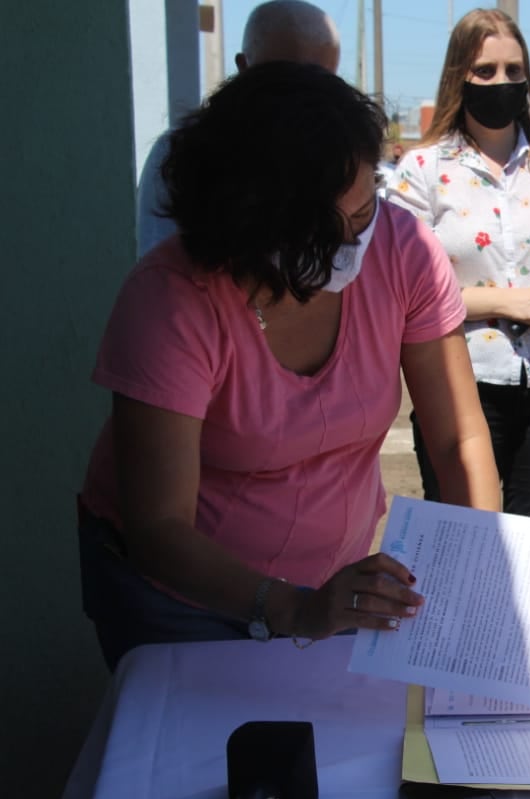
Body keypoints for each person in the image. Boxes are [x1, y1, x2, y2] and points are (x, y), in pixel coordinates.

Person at [78, 63, 501, 672]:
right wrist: (292, 608)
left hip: (328, 590)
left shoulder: (402, 251)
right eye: (330, 227)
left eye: (367, 210)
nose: (359, 241)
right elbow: (160, 529)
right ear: (252, 220)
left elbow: (458, 436)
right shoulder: (171, 299)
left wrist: (481, 572)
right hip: (178, 601)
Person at [387, 8, 530, 519]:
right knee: (462, 535)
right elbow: (402, 292)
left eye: (515, 71)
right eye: (486, 71)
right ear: (458, 78)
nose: (502, 82)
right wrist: (499, 301)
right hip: (456, 385)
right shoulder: (421, 172)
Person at [135, 0, 341, 257]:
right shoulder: (181, 156)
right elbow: (160, 274)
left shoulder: (343, 157)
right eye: (286, 79)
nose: (304, 98)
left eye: (323, 82)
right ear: (244, 66)